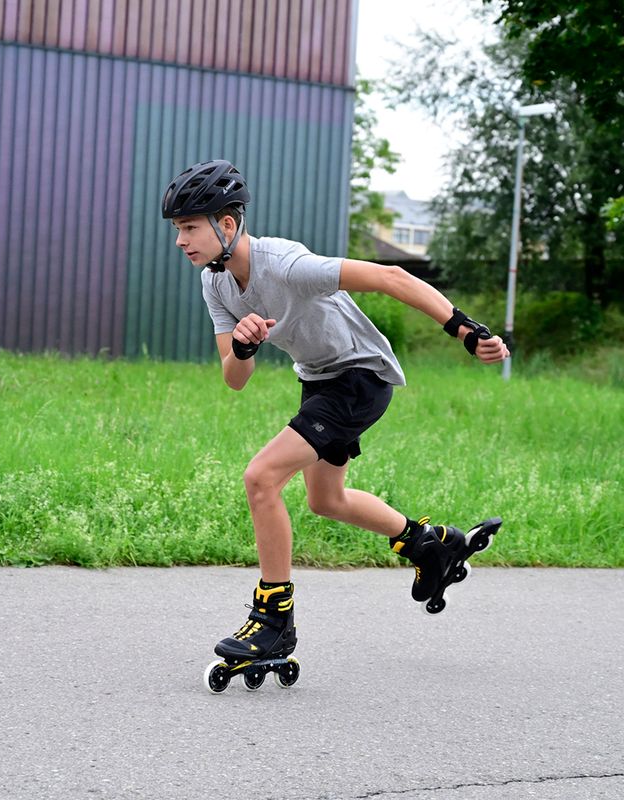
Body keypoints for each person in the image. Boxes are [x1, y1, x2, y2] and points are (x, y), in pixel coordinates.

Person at [161, 159, 509, 666]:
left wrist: (463, 328)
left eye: (189, 227)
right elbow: (235, 379)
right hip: (320, 380)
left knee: (261, 479)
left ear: (227, 225)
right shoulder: (215, 284)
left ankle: (274, 620)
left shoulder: (286, 265)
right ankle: (430, 545)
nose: (181, 241)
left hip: (361, 376)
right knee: (326, 499)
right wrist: (241, 347)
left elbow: (390, 276)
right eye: (177, 230)